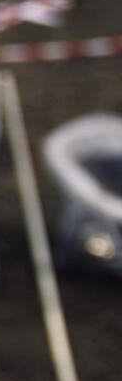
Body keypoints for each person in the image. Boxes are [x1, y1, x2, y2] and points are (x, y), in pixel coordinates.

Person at [44, 113, 122, 278]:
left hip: (89, 161)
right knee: (88, 221)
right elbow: (94, 198)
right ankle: (74, 259)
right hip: (72, 159)